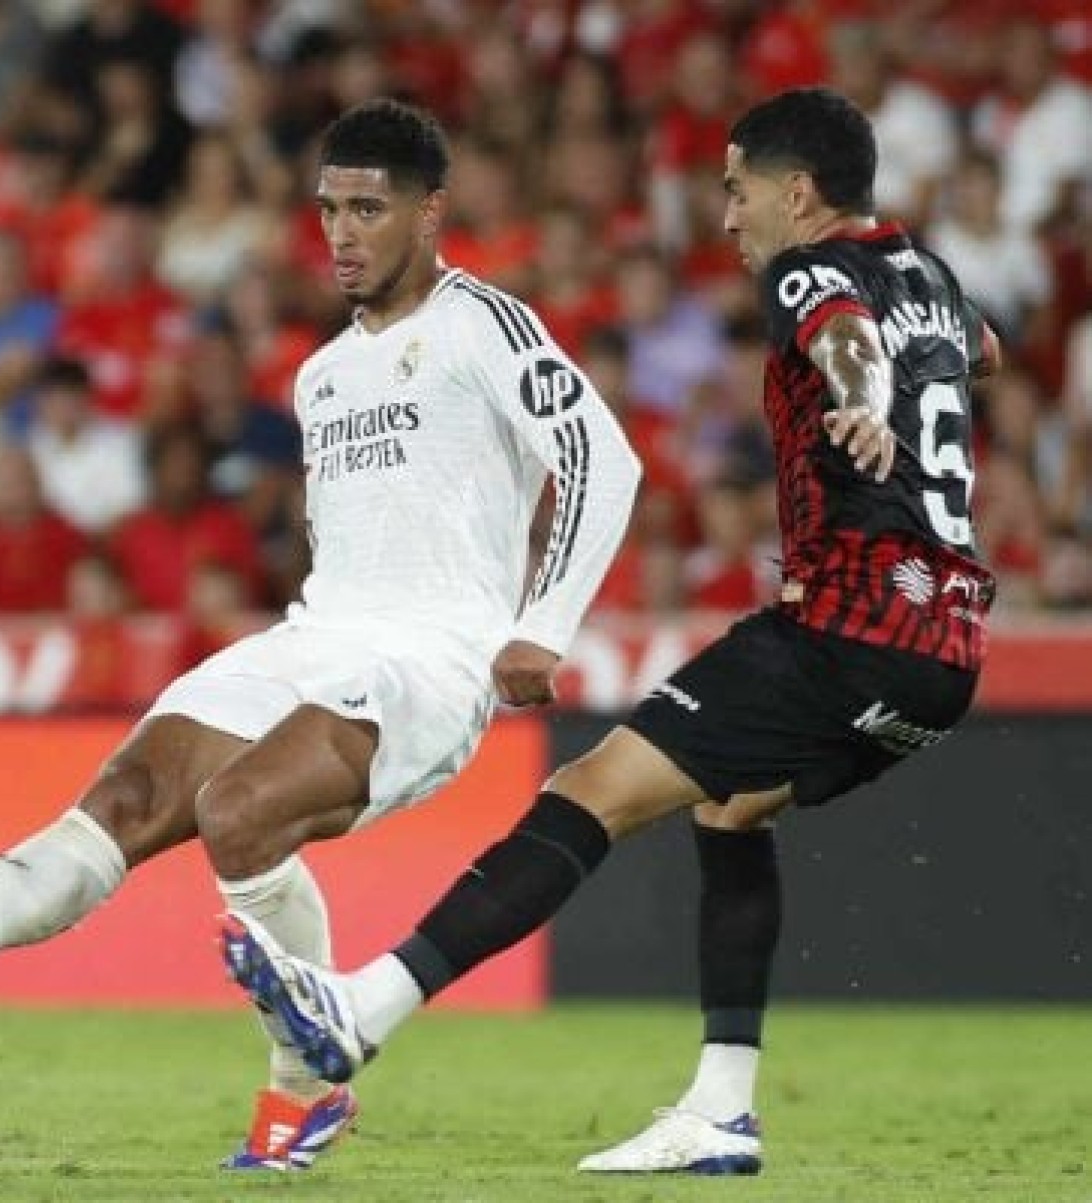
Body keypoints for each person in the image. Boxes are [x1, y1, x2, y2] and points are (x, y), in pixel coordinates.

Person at [0, 97, 640, 1171]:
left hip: (433, 658)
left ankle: (306, 1091)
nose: (342, 234)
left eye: (368, 209)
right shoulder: (319, 374)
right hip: (320, 634)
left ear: (431, 213)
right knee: (126, 798)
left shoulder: (481, 323)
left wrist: (543, 625)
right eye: (328, 210)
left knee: (239, 813)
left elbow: (601, 456)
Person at [218, 87, 1001, 1177]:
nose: (727, 218)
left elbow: (848, 339)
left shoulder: (807, 269)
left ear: (799, 192)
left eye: (736, 192)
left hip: (846, 627)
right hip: (950, 647)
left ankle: (360, 1013)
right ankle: (721, 1107)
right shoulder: (933, 274)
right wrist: (904, 384)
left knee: (586, 797)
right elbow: (983, 355)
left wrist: (863, 399)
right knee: (731, 810)